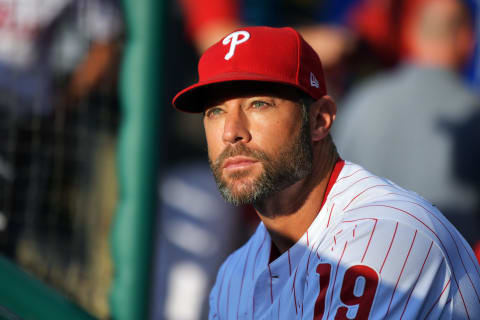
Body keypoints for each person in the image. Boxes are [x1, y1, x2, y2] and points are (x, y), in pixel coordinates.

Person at [171, 26, 480, 319]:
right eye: (215, 111)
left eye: (258, 104)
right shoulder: (236, 271)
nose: (231, 132)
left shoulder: (385, 233)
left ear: (319, 120)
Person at [332, 0, 480, 244]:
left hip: (360, 269)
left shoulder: (361, 101)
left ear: (411, 35)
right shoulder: (472, 113)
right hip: (446, 274)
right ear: (467, 39)